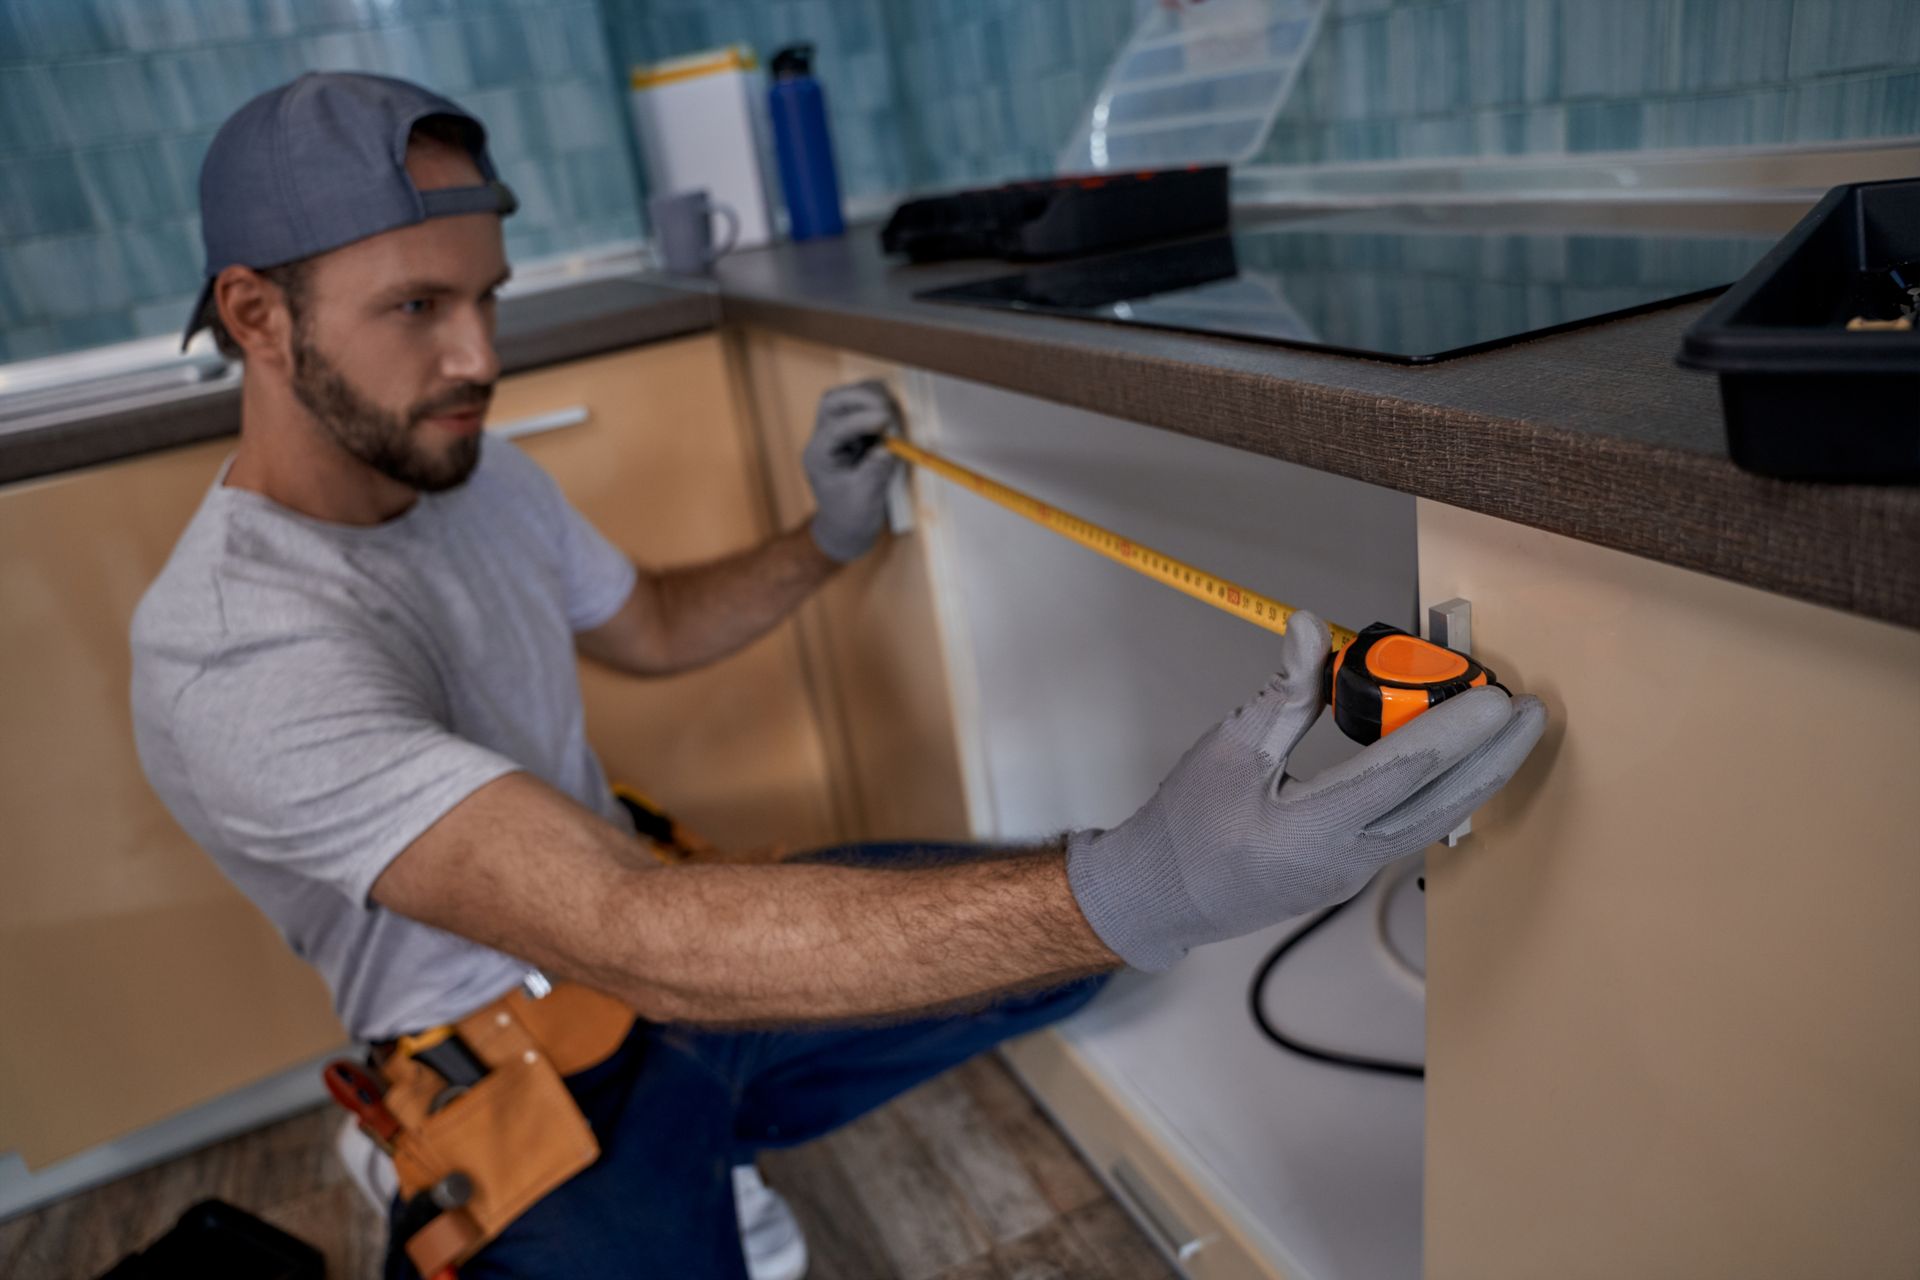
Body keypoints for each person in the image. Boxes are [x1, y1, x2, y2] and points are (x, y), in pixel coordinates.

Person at [129, 73, 1547, 1280]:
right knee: (1095, 911)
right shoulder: (232, 650)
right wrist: (1153, 882)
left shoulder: (468, 469)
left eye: (488, 299)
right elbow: (626, 926)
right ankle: (426, 1172)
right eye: (418, 307)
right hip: (514, 1067)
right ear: (257, 316)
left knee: (1058, 963)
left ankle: (720, 1127)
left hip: (662, 977)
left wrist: (828, 536)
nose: (480, 357)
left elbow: (656, 627)